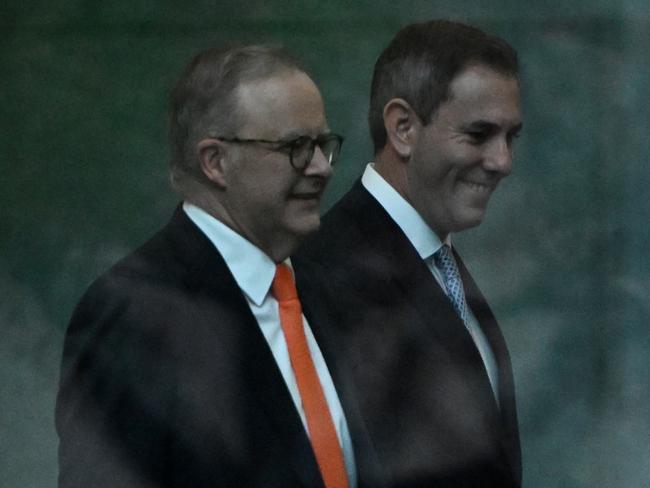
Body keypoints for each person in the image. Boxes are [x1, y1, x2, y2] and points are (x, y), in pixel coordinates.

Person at [55, 45, 380, 488]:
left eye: (323, 145)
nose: (322, 168)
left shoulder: (318, 288)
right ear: (215, 162)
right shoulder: (134, 313)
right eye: (297, 147)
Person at [295, 20, 524, 487]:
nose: (503, 161)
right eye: (479, 134)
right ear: (403, 128)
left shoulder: (441, 263)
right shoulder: (321, 278)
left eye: (510, 137)